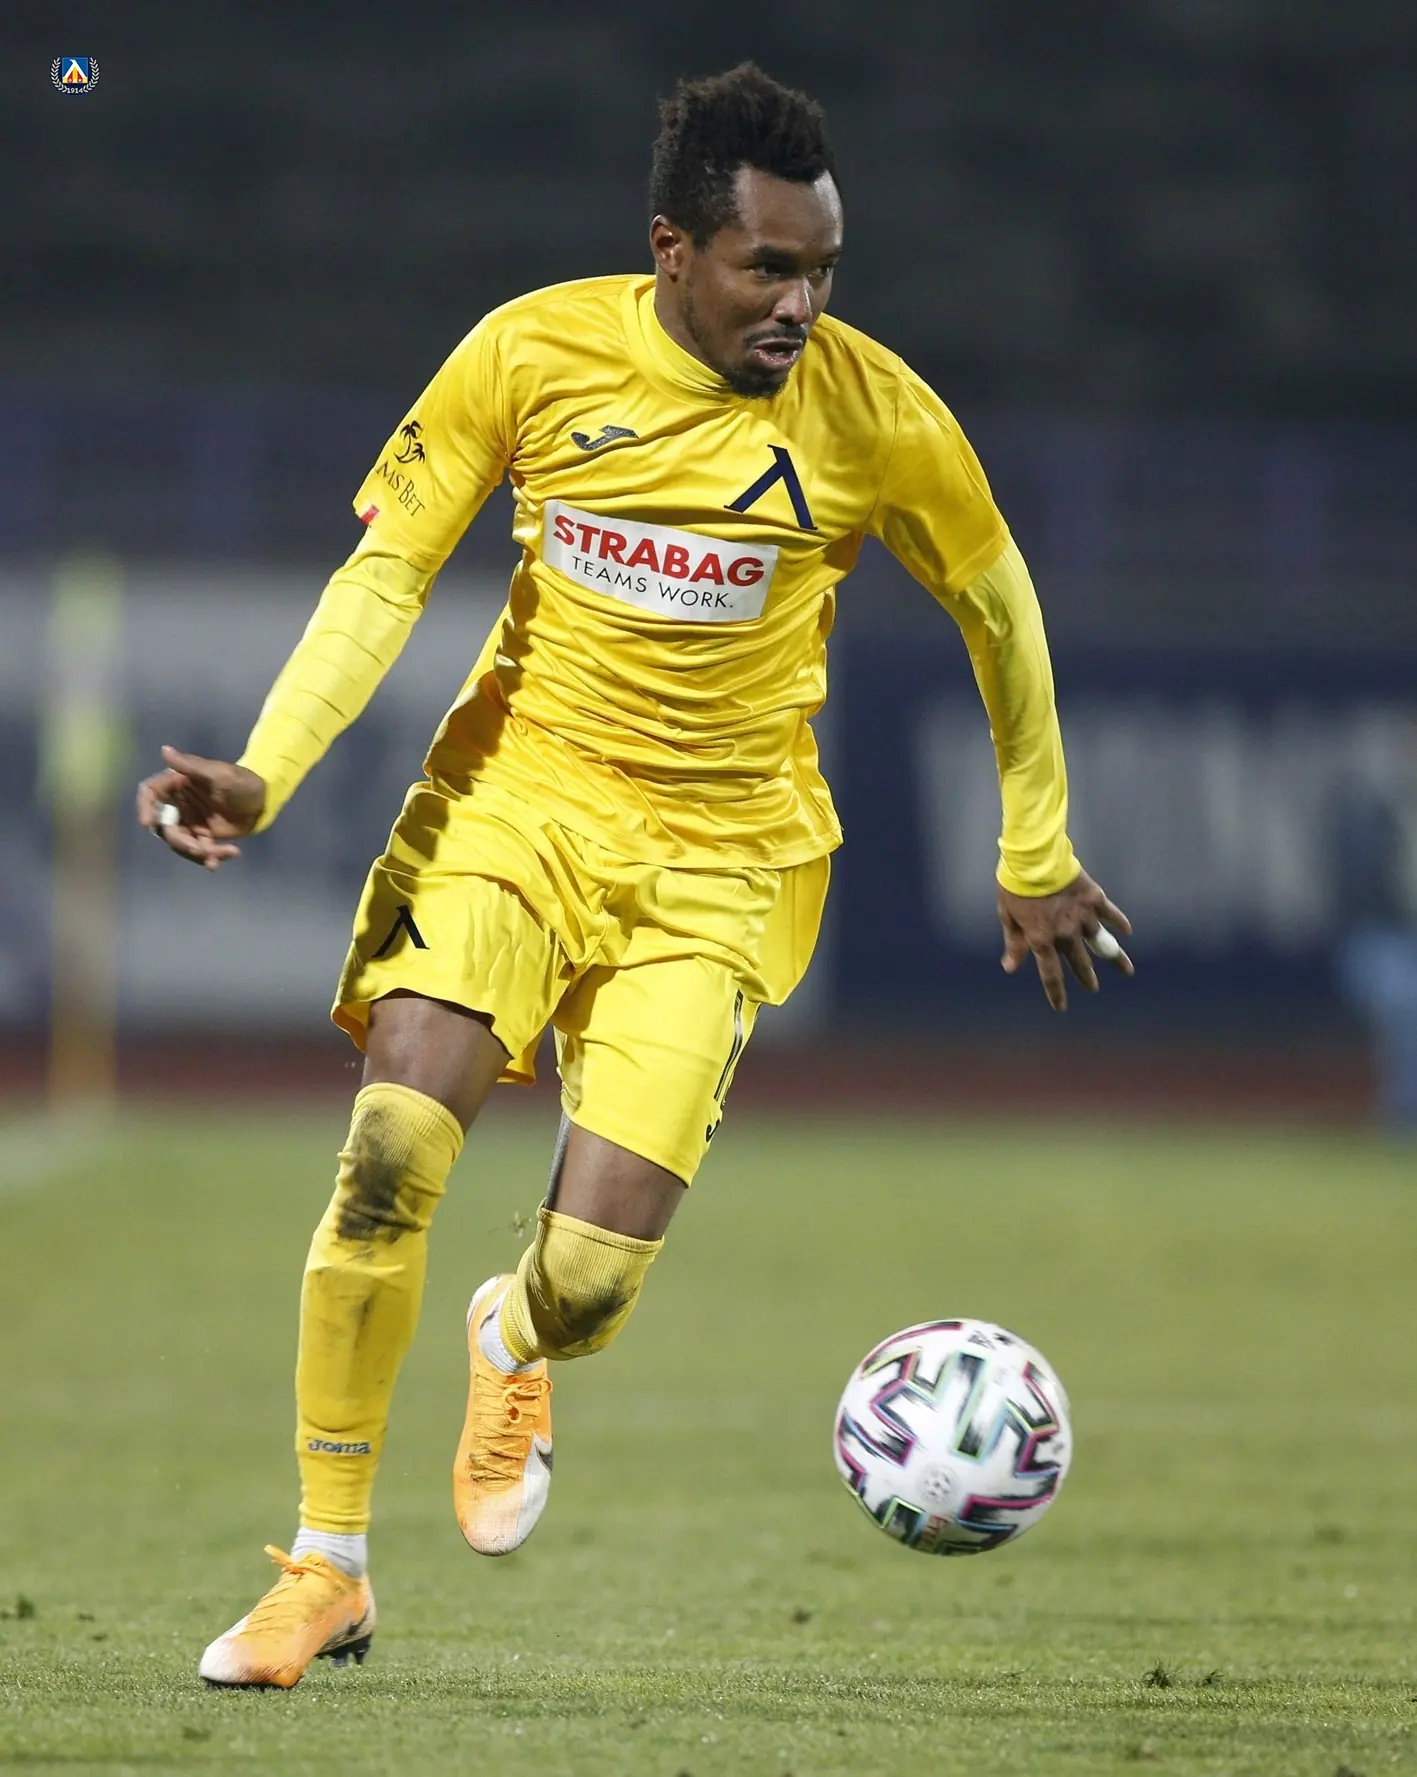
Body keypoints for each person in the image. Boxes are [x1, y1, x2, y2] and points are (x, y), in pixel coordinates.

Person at [136, 62, 1132, 1690]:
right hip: (517, 805)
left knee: (592, 1286)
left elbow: (998, 605)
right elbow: (387, 573)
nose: (802, 304)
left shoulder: (876, 415)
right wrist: (268, 765)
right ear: (673, 248)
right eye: (770, 268)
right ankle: (324, 1567)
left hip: (724, 860)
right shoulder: (531, 354)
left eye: (824, 271)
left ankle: (513, 1336)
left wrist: (1038, 846)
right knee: (389, 1154)